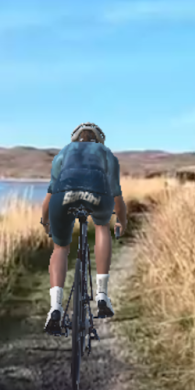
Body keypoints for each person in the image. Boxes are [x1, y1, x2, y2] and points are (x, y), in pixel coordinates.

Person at [39, 122, 125, 335]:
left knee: (60, 248)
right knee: (102, 227)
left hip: (62, 196)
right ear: (99, 139)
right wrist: (121, 220)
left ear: (75, 138)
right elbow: (116, 195)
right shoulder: (106, 153)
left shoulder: (63, 154)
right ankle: (102, 295)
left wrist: (45, 220)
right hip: (98, 195)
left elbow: (49, 196)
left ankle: (55, 308)